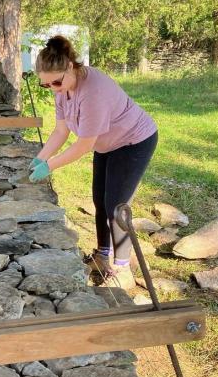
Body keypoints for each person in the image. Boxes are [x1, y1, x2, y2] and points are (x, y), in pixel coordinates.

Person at [29, 36, 158, 288]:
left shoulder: (93, 91)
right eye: (46, 85)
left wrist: (49, 166)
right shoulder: (62, 89)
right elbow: (60, 132)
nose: (54, 88)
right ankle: (101, 256)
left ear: (70, 66)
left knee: (116, 206)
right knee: (99, 199)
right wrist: (39, 158)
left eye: (56, 82)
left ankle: (122, 270)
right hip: (106, 143)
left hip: (133, 140)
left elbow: (83, 145)